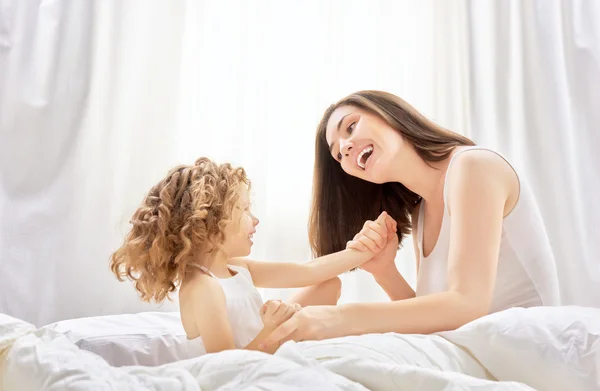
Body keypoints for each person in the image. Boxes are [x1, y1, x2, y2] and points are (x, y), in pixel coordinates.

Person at [262, 90, 560, 349]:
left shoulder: (474, 166)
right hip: (482, 356)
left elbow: (467, 305)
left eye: (351, 127)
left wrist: (339, 318)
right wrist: (385, 273)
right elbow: (439, 321)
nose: (346, 148)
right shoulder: (421, 213)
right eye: (339, 155)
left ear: (388, 114)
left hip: (527, 353)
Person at [109, 157, 395, 354]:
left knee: (329, 284)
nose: (255, 219)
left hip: (264, 340)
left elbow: (308, 272)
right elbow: (227, 365)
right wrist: (271, 328)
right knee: (315, 311)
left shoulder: (235, 267)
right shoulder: (203, 287)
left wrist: (362, 250)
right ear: (209, 224)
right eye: (245, 210)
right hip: (250, 356)